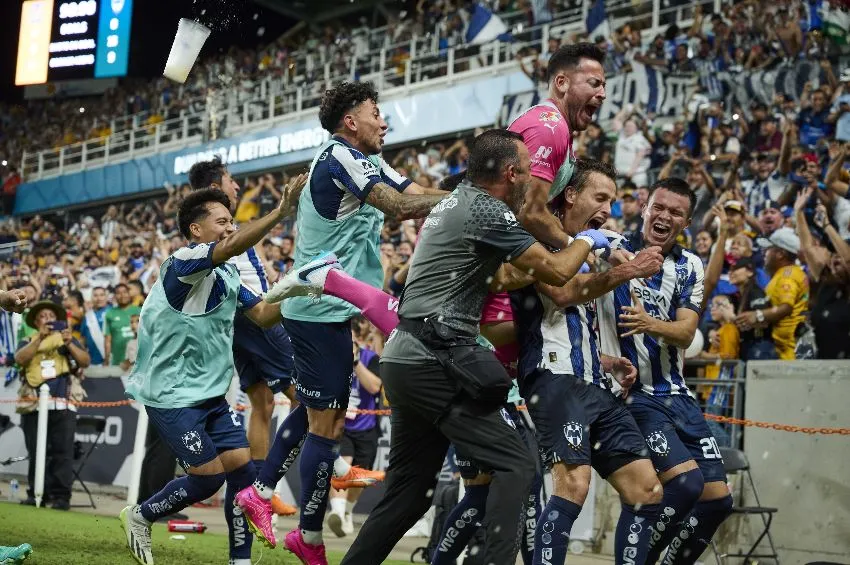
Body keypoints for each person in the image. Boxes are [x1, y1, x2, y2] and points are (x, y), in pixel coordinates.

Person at [339, 129, 611, 565]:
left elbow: (501, 277)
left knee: (408, 496)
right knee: (516, 464)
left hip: (406, 358)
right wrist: (585, 242)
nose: (533, 180)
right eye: (527, 171)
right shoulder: (486, 210)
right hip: (433, 359)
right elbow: (559, 272)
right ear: (509, 172)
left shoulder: (456, 202)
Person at [240, 80, 448, 564]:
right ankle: (306, 535)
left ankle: (264, 491)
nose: (385, 121)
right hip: (317, 307)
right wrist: (473, 199)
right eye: (377, 112)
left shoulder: (366, 160)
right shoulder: (341, 158)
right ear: (351, 121)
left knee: (317, 413)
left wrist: (463, 196)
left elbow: (412, 192)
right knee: (328, 424)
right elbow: (398, 207)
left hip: (331, 306)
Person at [118, 183, 313, 565]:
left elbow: (262, 315)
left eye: (231, 222)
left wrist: (301, 286)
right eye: (222, 221)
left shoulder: (229, 277)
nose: (229, 228)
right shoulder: (184, 262)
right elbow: (229, 247)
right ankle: (140, 515)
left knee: (242, 478)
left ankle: (238, 561)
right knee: (209, 478)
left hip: (211, 397)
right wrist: (280, 212)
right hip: (170, 395)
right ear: (196, 229)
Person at [508, 159, 666, 564]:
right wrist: (630, 268)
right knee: (573, 485)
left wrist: (605, 359)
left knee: (647, 490)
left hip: (595, 382)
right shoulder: (536, 238)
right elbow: (562, 293)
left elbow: (571, 320)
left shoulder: (585, 246)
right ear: (572, 195)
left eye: (612, 202)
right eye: (600, 198)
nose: (608, 211)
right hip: (554, 379)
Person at [595, 178, 734, 565]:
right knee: (686, 484)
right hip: (635, 397)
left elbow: (687, 332)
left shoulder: (689, 264)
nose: (664, 216)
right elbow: (584, 237)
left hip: (679, 395)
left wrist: (648, 323)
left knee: (718, 500)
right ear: (644, 207)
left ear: (687, 222)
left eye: (675, 212)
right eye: (659, 207)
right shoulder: (613, 246)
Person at [508, 42, 608, 248]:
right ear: (561, 83)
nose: (602, 94)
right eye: (594, 83)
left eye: (603, 85)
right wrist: (577, 247)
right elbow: (529, 212)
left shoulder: (558, 126)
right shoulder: (550, 129)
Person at [14, 300, 90, 510]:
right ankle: (37, 493)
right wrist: (40, 337)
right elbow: (20, 359)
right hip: (34, 405)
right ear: (36, 321)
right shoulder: (28, 340)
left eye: (50, 316)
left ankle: (61, 497)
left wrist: (69, 343)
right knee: (37, 451)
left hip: (63, 404)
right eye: (43, 316)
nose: (47, 319)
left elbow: (84, 361)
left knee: (62, 452)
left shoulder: (67, 339)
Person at [327, 319, 384, 538]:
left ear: (358, 340)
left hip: (366, 425)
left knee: (359, 476)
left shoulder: (371, 359)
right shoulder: (332, 358)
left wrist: (355, 362)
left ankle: (347, 512)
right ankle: (338, 514)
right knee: (343, 465)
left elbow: (375, 386)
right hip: (341, 424)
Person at [737, 226, 808, 360]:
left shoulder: (787, 275)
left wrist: (757, 315)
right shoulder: (787, 273)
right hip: (786, 347)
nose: (764, 253)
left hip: (789, 351)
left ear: (780, 254)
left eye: (768, 249)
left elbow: (786, 307)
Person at [103, 283, 141, 366]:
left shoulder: (140, 311)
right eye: (118, 293)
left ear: (129, 293)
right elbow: (108, 340)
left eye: (124, 292)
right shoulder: (110, 313)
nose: (122, 295)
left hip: (138, 362)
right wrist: (106, 360)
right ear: (115, 296)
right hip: (118, 361)